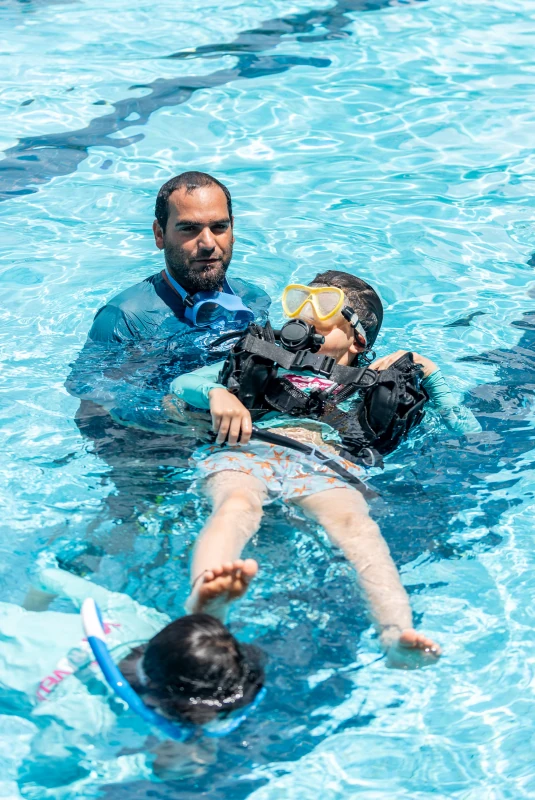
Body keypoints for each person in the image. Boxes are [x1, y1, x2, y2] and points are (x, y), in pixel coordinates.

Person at [169, 271, 481, 669]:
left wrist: (430, 374)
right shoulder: (265, 358)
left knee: (355, 527)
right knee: (235, 503)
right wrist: (215, 392)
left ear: (358, 339)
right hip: (250, 449)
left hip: (328, 464)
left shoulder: (373, 382)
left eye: (322, 311)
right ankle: (205, 601)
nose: (303, 318)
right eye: (299, 306)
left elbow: (468, 430)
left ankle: (395, 634)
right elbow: (182, 384)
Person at [61, 172, 271, 581]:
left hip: (231, 440)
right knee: (121, 532)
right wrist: (170, 417)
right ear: (160, 235)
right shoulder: (127, 317)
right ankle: (58, 587)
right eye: (189, 229)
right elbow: (89, 403)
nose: (207, 243)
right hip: (151, 450)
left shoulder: (253, 299)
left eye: (219, 227)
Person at [5, 557, 264, 780]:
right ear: (154, 702)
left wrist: (29, 616)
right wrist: (146, 768)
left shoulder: (141, 621)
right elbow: (38, 769)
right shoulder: (89, 722)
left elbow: (47, 576)